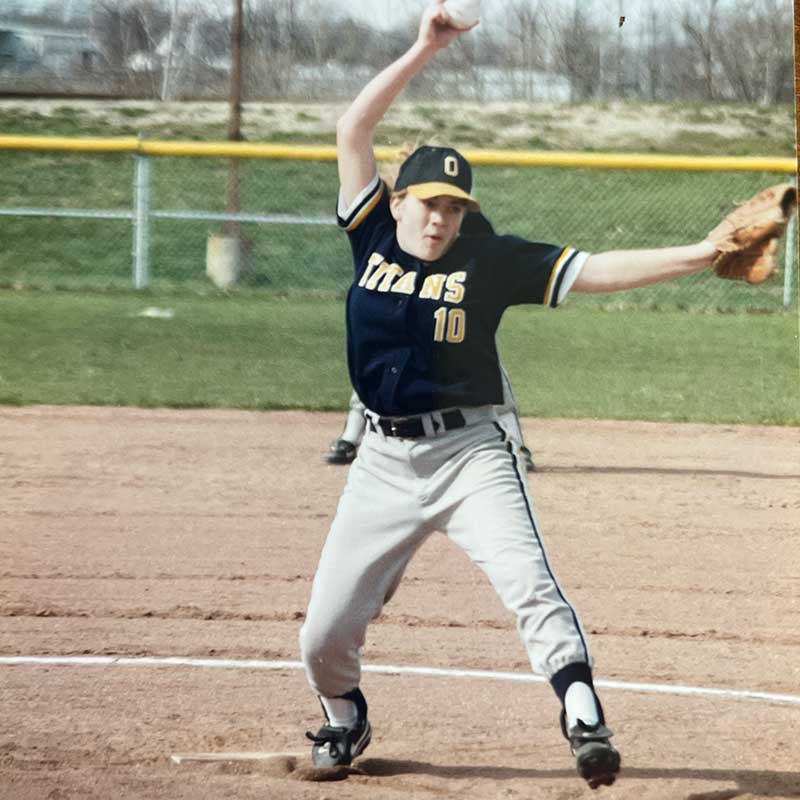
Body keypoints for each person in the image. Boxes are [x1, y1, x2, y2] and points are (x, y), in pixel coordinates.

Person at [300, 1, 720, 788]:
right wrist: (424, 47)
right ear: (398, 201)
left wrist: (701, 255)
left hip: (468, 454)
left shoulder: (487, 259)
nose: (440, 217)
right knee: (322, 637)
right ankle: (343, 717)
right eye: (428, 202)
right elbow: (353, 129)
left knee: (529, 582)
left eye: (454, 206)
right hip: (383, 464)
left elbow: (595, 268)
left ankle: (584, 712)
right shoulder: (372, 231)